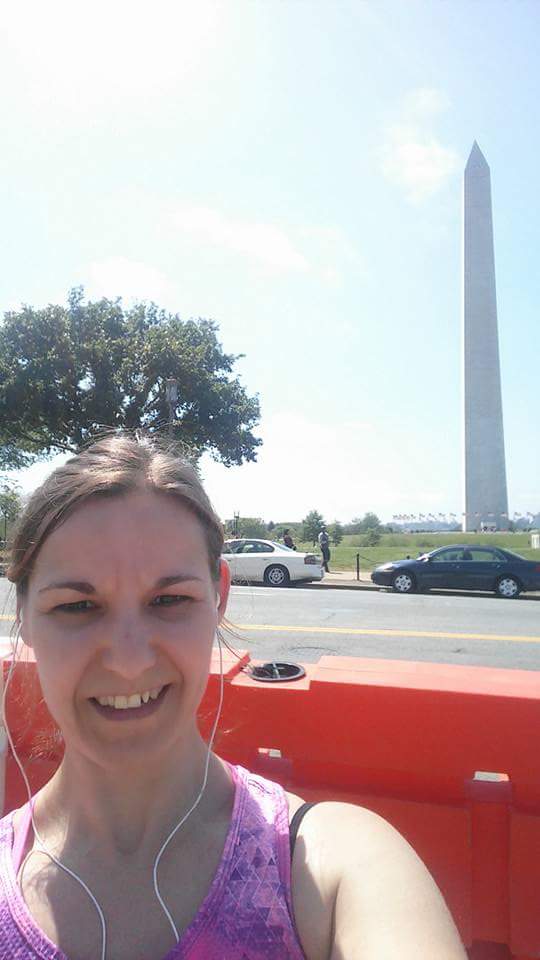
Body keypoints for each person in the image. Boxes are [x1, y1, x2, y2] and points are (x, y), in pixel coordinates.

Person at [0, 434, 466, 960]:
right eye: (77, 607)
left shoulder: (331, 868)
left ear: (219, 595)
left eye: (170, 599)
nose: (128, 661)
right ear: (25, 615)